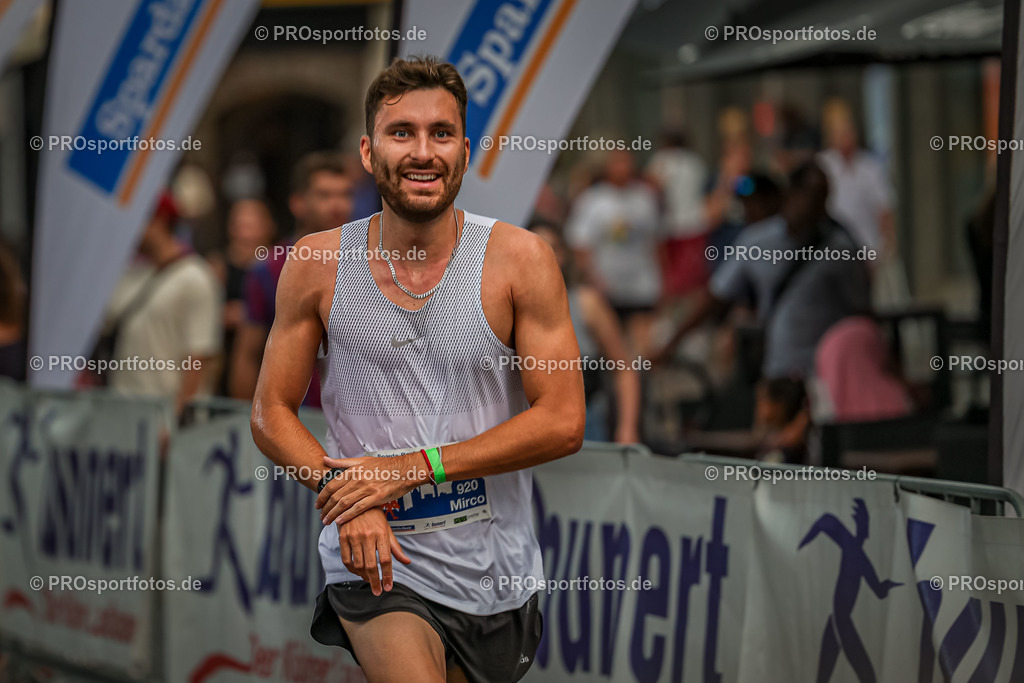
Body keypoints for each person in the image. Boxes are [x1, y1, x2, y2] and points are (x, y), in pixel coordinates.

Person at [250, 56, 585, 682]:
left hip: (495, 565)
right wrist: (345, 498)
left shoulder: (520, 260)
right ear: (368, 151)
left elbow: (564, 422)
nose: (422, 151)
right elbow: (269, 412)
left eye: (441, 133)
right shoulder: (318, 263)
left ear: (465, 149)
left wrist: (410, 470)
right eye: (401, 132)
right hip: (377, 559)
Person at [655, 162, 871, 382]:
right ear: (789, 195)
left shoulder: (840, 246)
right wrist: (671, 343)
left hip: (831, 373)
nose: (752, 211)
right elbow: (715, 296)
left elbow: (861, 311)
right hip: (780, 370)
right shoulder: (756, 240)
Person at [229, 152, 353, 407]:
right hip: (295, 422)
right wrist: (248, 427)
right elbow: (248, 356)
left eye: (345, 194)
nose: (337, 205)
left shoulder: (370, 262)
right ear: (298, 203)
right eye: (324, 195)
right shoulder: (269, 269)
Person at [105, 193, 223, 418]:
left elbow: (198, 359)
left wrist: (176, 420)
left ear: (158, 221)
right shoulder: (131, 275)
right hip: (123, 419)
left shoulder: (196, 278)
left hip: (164, 421)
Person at [530, 219, 641, 443]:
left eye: (553, 248)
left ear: (564, 255)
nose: (544, 256)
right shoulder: (508, 306)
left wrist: (627, 429)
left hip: (585, 424)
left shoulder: (586, 304)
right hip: (529, 426)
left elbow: (623, 369)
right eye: (536, 248)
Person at [564, 148, 661, 355]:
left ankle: (642, 385)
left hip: (641, 286)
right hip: (606, 289)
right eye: (617, 162)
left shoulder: (645, 198)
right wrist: (593, 280)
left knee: (643, 352)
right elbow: (580, 247)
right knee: (612, 352)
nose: (623, 168)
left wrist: (663, 280)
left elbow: (656, 241)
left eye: (626, 162)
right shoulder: (592, 200)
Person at [208, 198, 276, 395]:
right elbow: (198, 315)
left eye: (252, 226)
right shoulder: (218, 266)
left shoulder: (276, 268)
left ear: (268, 228)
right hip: (225, 360)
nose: (246, 234)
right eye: (241, 226)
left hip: (267, 357)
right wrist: (223, 314)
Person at [645, 129, 708, 299]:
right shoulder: (695, 161)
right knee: (691, 275)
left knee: (671, 276)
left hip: (671, 225)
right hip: (695, 222)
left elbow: (652, 187)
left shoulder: (662, 159)